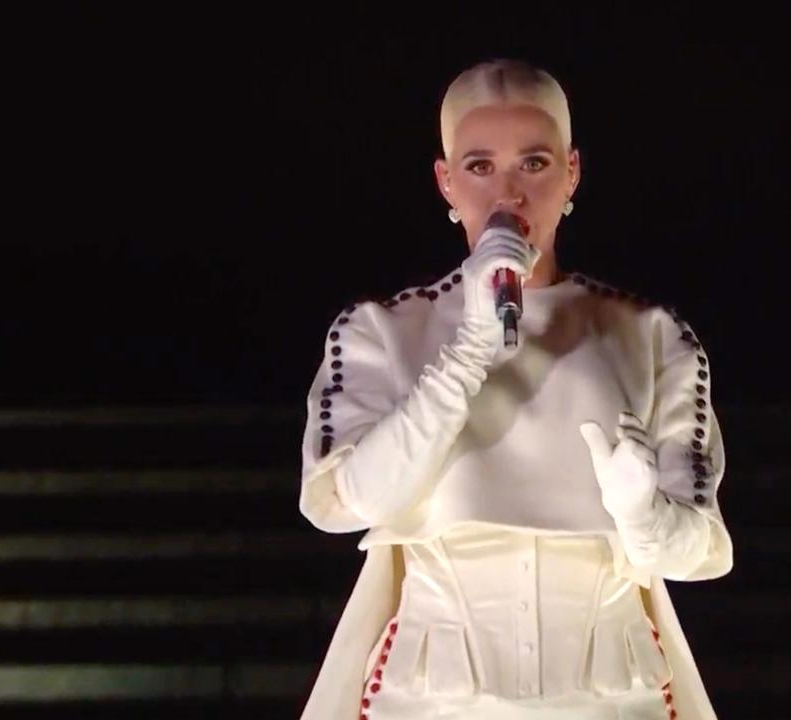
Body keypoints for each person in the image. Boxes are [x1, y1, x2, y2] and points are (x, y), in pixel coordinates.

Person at [296, 58, 732, 720]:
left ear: (571, 172)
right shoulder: (378, 332)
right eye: (479, 166)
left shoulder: (651, 335)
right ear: (445, 181)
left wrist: (645, 514)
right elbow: (349, 500)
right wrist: (467, 350)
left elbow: (699, 546)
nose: (509, 193)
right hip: (429, 697)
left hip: (617, 695)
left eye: (533, 163)